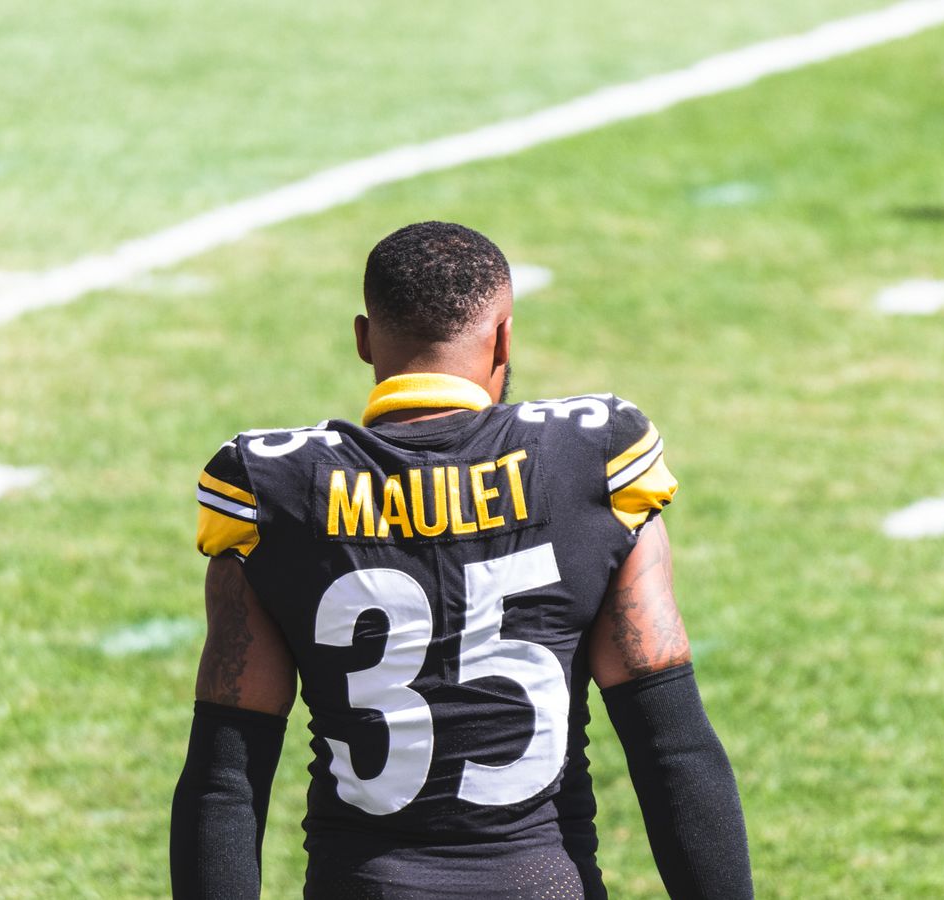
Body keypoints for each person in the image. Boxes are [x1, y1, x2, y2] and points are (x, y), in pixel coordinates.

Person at [171, 221, 752, 899]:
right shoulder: (592, 463)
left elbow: (227, 778)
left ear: (363, 340)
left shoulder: (273, 488)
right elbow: (671, 748)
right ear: (505, 336)